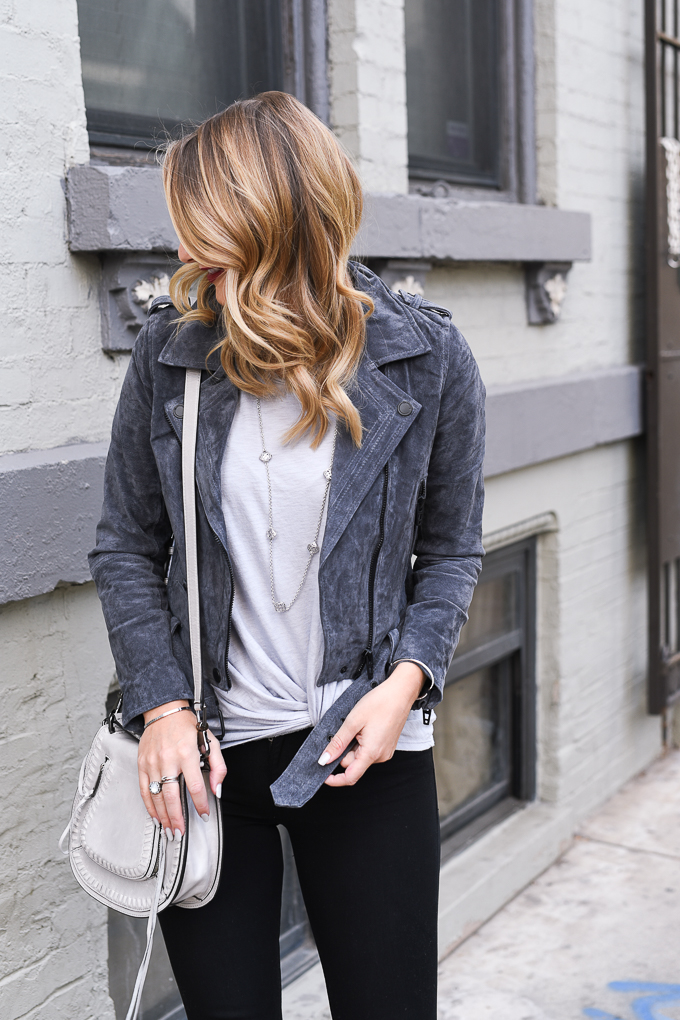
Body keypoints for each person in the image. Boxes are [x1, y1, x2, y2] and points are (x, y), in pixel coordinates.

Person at [89, 91, 485, 1020]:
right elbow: (126, 545)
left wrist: (409, 683)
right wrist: (163, 706)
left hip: (365, 750)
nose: (184, 252)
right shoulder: (172, 356)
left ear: (266, 224)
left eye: (203, 227)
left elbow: (453, 549)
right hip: (208, 761)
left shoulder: (426, 358)